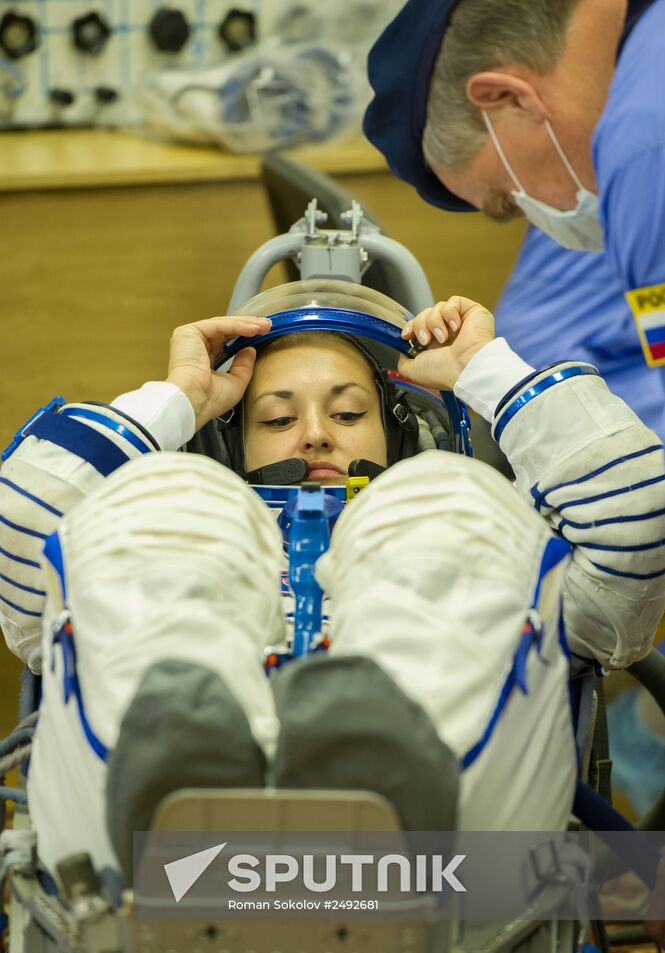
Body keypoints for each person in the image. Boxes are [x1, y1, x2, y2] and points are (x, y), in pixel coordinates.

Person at [0, 285, 664, 895]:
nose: (315, 432)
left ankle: (369, 780)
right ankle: (191, 782)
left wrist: (482, 368)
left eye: (347, 412)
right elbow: (18, 525)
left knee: (445, 489)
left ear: (396, 430)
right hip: (151, 862)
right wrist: (178, 400)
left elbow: (639, 521)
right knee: (169, 493)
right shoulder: (193, 525)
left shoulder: (472, 538)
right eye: (277, 419)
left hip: (443, 862)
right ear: (232, 444)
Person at [363, 0, 665, 375]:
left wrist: (489, 381)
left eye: (509, 202)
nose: (540, 222)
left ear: (506, 97)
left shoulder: (641, 155)